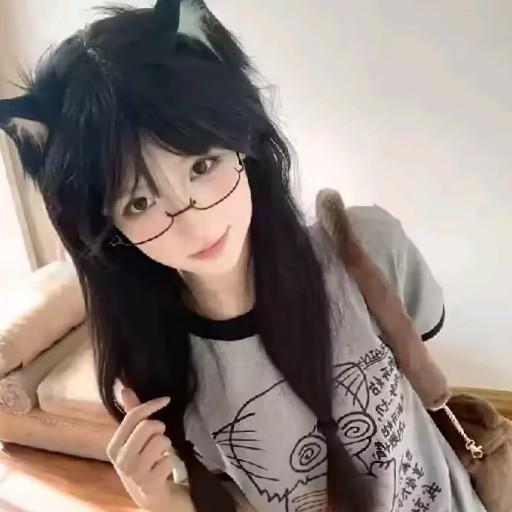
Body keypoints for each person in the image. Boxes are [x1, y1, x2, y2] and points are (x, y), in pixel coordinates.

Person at [0, 1, 486, 511]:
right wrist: (160, 499)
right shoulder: (154, 366)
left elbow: (424, 368)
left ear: (242, 142)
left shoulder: (368, 246)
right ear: (107, 226)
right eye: (139, 202)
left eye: (202, 165)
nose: (194, 223)